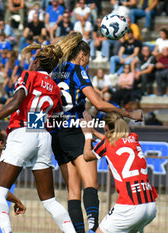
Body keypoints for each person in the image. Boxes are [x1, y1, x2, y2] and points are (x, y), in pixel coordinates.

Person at [0, 43, 76, 233]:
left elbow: (16, 103)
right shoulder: (55, 88)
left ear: (36, 62)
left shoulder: (28, 75)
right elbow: (56, 117)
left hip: (23, 133)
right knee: (49, 200)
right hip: (43, 137)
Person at [52, 32, 142, 233]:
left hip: (55, 133)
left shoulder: (55, 70)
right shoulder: (78, 70)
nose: (88, 62)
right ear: (82, 54)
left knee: (72, 192)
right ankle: (92, 229)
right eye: (89, 57)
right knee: (90, 184)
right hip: (75, 131)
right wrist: (129, 114)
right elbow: (99, 103)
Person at [81, 111, 157, 233]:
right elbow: (114, 141)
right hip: (150, 205)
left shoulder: (106, 144)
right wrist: (94, 132)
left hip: (130, 206)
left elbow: (87, 155)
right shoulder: (133, 138)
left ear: (106, 127)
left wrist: (87, 135)